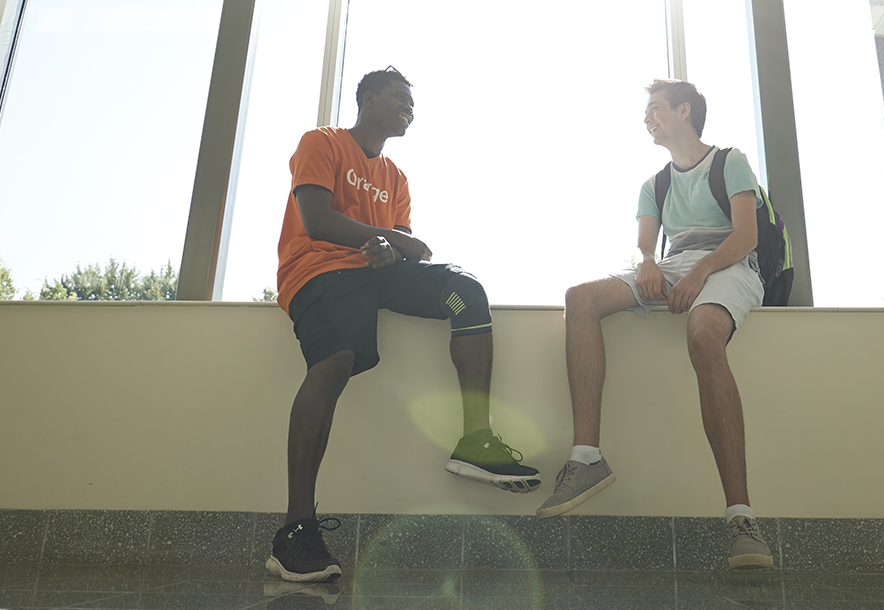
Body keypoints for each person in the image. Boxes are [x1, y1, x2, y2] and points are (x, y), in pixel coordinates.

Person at [267, 67, 540, 583]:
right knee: (337, 358)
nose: (407, 109)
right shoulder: (321, 141)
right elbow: (317, 219)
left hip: (372, 275)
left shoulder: (395, 177)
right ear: (368, 100)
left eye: (411, 104)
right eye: (398, 99)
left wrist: (388, 247)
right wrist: (388, 239)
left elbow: (395, 248)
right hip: (317, 269)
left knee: (467, 292)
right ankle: (294, 532)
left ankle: (476, 440)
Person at [535, 79, 774, 570]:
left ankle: (742, 519)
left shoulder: (731, 162)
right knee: (580, 299)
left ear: (684, 111)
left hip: (730, 264)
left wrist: (703, 271)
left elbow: (746, 235)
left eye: (655, 109)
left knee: (705, 334)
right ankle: (586, 459)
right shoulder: (655, 184)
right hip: (675, 264)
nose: (648, 118)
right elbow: (648, 243)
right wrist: (647, 261)